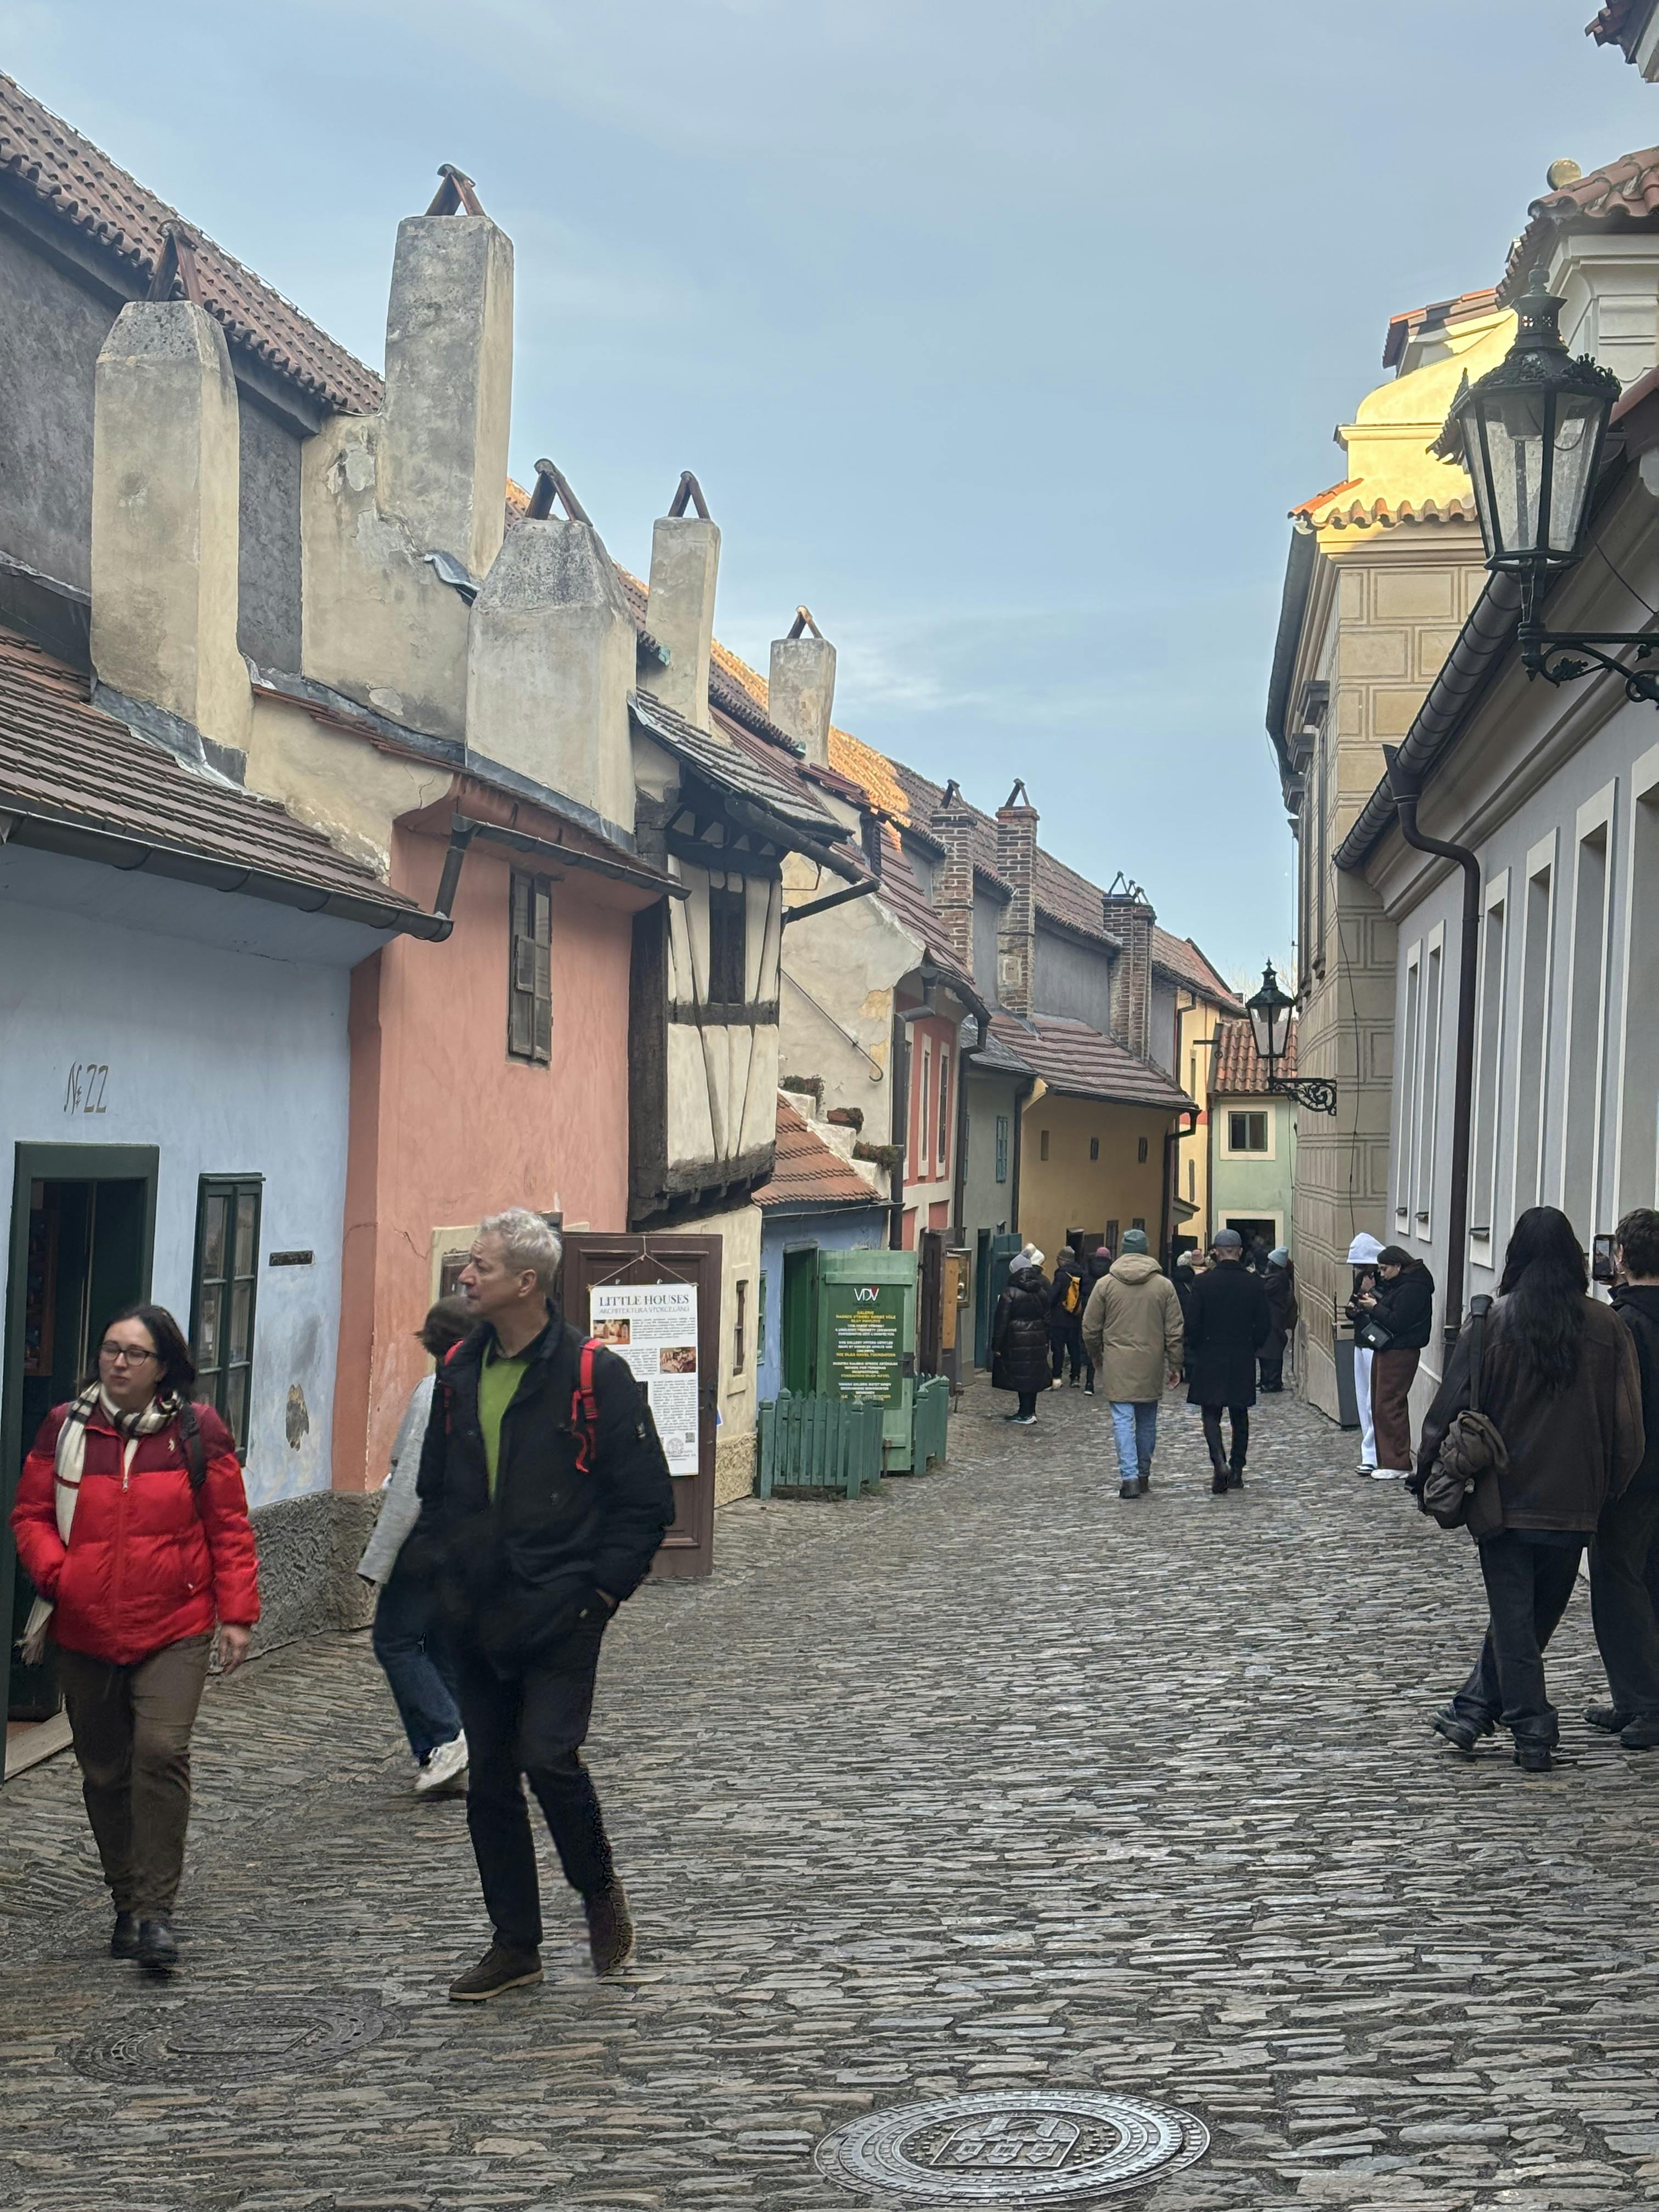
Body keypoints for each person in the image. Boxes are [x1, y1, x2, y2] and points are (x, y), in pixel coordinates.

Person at [409, 1209, 675, 2002]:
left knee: (548, 1758)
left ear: (527, 1283)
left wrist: (599, 1593)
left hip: (563, 1611)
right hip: (476, 1611)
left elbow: (646, 1502)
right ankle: (514, 1945)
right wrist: (444, 1577)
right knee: (491, 1780)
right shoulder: (458, 1372)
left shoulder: (595, 1375)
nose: (465, 1276)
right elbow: (433, 1489)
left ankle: (598, 1889)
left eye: (481, 1267)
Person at [9, 1304, 258, 1972]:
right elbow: (31, 1514)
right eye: (110, 1349)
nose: (118, 1362)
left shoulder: (195, 1431)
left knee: (161, 1750)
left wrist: (237, 1615)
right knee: (105, 1771)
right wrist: (59, 1574)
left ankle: (154, 1914)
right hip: (84, 1626)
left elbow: (228, 1527)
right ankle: (125, 1900)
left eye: (134, 1353)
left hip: (175, 1624)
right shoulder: (66, 1427)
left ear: (163, 1366)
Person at [1422, 1206, 1643, 1773]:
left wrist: (1427, 1474)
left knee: (1516, 1618)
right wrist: (1609, 1490)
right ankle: (1473, 1709)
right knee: (1528, 1618)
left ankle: (1532, 1726)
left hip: (1502, 1497)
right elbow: (1629, 1428)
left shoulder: (1492, 1322)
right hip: (1576, 1500)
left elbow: (1449, 1407)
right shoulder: (1607, 1326)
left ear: (1515, 1256)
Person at [358, 1296, 476, 1795]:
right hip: (473, 1541)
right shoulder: (493, 1385)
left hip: (430, 1540)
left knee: (396, 1640)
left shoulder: (437, 1388)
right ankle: (448, 1755)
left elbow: (409, 1480)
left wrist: (379, 1556)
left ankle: (447, 1738)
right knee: (443, 1644)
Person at [1588, 1208, 1659, 1749]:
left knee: (1618, 1587)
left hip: (1634, 1476)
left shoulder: (1623, 1324)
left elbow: (1613, 1408)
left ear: (1622, 1258)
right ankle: (1636, 1698)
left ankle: (1643, 1702)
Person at [1080, 1228, 1184, 1501]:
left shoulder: (1106, 1285)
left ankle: (1129, 1478)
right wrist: (1175, 1364)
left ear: (1123, 1251)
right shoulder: (1164, 1286)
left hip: (1117, 1362)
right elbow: (1175, 1330)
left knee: (1122, 1421)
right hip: (1151, 1362)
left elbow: (1090, 1328)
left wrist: (1096, 1356)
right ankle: (1143, 1474)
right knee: (1147, 1421)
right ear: (1146, 1251)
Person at [1184, 1229, 1271, 1494]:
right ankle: (1237, 1471)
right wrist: (1252, 1346)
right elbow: (1264, 1324)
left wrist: (1195, 1349)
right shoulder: (1254, 1284)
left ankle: (1219, 1462)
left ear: (1216, 1252)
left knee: (1211, 1414)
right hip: (1242, 1355)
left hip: (1210, 1354)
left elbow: (1193, 1323)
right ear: (1240, 1252)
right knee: (1239, 1415)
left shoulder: (1203, 1283)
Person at [1354, 1246, 1434, 1477]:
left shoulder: (1414, 1288)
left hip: (1401, 1350)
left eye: (1384, 1269)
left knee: (1389, 1404)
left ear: (1398, 1266)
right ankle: (1387, 1461)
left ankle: (1397, 1463)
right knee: (1381, 1404)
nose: (1382, 1274)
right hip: (1389, 1348)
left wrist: (1374, 1307)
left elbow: (1397, 1321)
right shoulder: (1401, 1285)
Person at [991, 1252, 1052, 1425]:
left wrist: (997, 1345)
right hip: (1037, 1337)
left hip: (1017, 1338)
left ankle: (1025, 1413)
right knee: (1032, 1375)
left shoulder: (1010, 1292)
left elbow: (1002, 1321)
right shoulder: (1040, 1291)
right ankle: (1030, 1410)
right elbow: (1048, 1318)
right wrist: (1046, 1339)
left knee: (1021, 1375)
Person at [1344, 1232, 1384, 1474]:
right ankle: (1368, 1451)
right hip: (1361, 1340)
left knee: (1372, 1400)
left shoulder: (1383, 1278)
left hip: (1375, 1343)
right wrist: (1353, 1308)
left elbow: (1383, 1307)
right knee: (1362, 1398)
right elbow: (1354, 1305)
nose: (1358, 1269)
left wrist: (1373, 1293)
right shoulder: (1361, 1277)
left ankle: (1374, 1453)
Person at [1078, 1239, 1115, 1394]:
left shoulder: (1087, 1273)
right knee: (1111, 1348)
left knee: (1092, 1347)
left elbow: (1081, 1292)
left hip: (1090, 1312)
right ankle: (1112, 1384)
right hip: (1108, 1314)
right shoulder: (1113, 1274)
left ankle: (1089, 1384)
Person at [1048, 1246, 1087, 1389]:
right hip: (1075, 1318)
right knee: (1074, 1349)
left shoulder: (1061, 1275)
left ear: (1063, 1260)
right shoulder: (1082, 1274)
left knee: (1058, 1350)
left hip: (1059, 1319)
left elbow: (1053, 1295)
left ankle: (1057, 1376)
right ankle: (1075, 1377)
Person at [1259, 1248, 1295, 1393]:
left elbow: (1263, 1290)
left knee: (1272, 1352)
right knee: (1265, 1351)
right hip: (1270, 1318)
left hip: (1275, 1319)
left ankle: (1273, 1381)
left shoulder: (1278, 1280)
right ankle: (1266, 1379)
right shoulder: (1276, 1278)